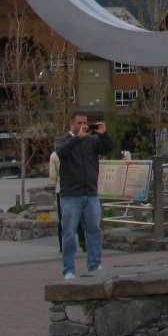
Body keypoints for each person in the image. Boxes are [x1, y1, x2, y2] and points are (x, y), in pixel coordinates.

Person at [54, 111, 113, 279]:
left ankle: (95, 265)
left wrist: (103, 135)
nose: (83, 126)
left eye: (85, 123)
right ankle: (69, 270)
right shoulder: (63, 140)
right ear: (71, 124)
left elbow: (108, 148)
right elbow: (61, 153)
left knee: (94, 230)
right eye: (79, 123)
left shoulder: (91, 141)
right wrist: (77, 138)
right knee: (69, 233)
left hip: (90, 193)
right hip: (71, 195)